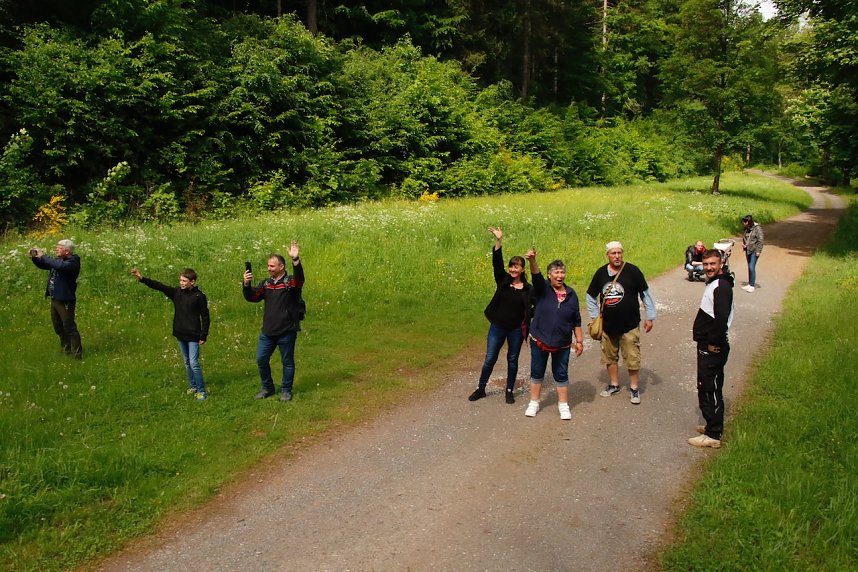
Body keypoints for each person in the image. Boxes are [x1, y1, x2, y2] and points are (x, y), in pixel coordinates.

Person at [586, 241, 656, 405]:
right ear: (607, 255)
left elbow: (645, 293)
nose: (617, 256)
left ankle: (633, 388)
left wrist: (650, 316)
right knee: (610, 356)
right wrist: (595, 317)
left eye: (619, 253)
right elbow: (590, 296)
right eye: (613, 253)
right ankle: (614, 385)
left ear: (622, 253)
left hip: (630, 324)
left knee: (632, 356)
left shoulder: (632, 271)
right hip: (608, 326)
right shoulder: (601, 273)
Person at [468, 228, 533, 404]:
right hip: (498, 326)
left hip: (516, 330)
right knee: (490, 358)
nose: (512, 269)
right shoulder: (503, 280)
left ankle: (509, 390)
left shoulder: (528, 290)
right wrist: (499, 241)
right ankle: (481, 388)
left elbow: (535, 307)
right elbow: (497, 262)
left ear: (522, 269)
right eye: (511, 266)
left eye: (516, 266)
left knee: (512, 359)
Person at [131, 267, 211, 400]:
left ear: (193, 281)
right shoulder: (176, 293)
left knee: (194, 363)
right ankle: (193, 386)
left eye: (184, 281)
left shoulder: (199, 297)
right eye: (180, 280)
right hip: (180, 333)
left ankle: (201, 390)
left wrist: (204, 335)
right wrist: (141, 278)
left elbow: (206, 317)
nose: (181, 283)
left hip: (193, 335)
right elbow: (159, 286)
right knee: (186, 362)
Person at [524, 251, 584, 419]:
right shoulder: (543, 289)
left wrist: (579, 340)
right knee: (537, 372)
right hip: (539, 339)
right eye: (556, 273)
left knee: (561, 374)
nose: (560, 276)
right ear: (550, 275)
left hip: (562, 343)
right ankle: (534, 403)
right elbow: (536, 275)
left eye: (562, 272)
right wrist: (533, 260)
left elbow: (576, 320)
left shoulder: (572, 295)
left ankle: (563, 406)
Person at [243, 241, 305, 401]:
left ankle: (286, 390)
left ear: (281, 267)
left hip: (287, 331)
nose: (268, 268)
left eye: (271, 266)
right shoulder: (266, 284)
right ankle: (268, 388)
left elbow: (300, 280)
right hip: (268, 332)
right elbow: (252, 297)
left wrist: (296, 260)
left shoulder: (290, 282)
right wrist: (246, 284)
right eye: (268, 266)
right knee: (261, 360)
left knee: (287, 362)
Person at [688, 249, 734, 448]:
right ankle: (710, 425)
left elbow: (721, 319)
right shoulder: (716, 283)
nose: (709, 268)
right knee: (705, 385)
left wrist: (714, 342)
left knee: (710, 387)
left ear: (721, 263)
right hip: (707, 343)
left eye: (712, 264)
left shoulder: (721, 287)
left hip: (713, 346)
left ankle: (714, 434)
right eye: (706, 264)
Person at [29, 239, 83, 358]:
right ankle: (66, 349)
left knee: (69, 326)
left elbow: (58, 265)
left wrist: (44, 256)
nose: (56, 249)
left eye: (59, 248)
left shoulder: (73, 262)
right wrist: (35, 258)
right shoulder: (59, 260)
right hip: (55, 299)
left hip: (65, 300)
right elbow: (44, 264)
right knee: (58, 327)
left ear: (67, 251)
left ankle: (77, 354)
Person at [741, 214, 764, 292]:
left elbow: (760, 240)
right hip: (748, 249)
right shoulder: (746, 228)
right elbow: (746, 238)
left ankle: (752, 286)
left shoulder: (757, 228)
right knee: (749, 267)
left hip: (754, 250)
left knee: (751, 267)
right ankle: (750, 283)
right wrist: (744, 244)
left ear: (749, 221)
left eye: (745, 221)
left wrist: (758, 251)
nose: (743, 223)